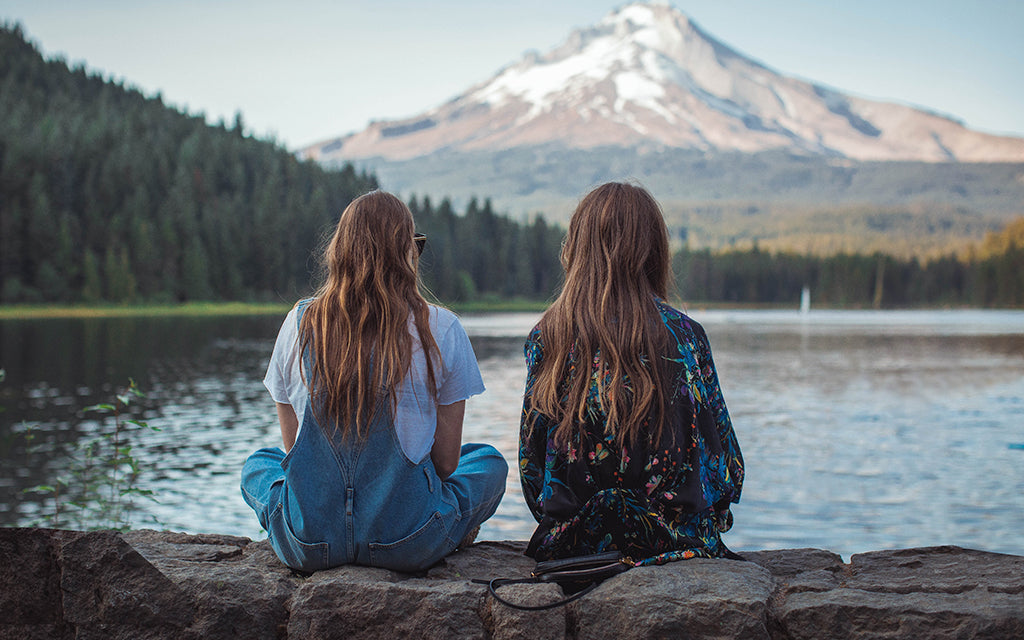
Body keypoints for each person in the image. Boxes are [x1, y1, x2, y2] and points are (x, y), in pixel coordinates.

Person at [242, 190, 507, 573]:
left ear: (341, 252)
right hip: (407, 542)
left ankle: (293, 528)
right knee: (487, 461)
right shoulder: (442, 327)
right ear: (407, 254)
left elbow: (293, 453)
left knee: (259, 464)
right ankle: (450, 525)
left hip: (311, 544)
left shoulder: (299, 323)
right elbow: (447, 464)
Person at [518, 182, 743, 566]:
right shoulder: (685, 336)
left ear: (577, 248)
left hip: (576, 544)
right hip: (674, 539)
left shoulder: (547, 336)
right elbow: (727, 467)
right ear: (654, 252)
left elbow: (532, 468)